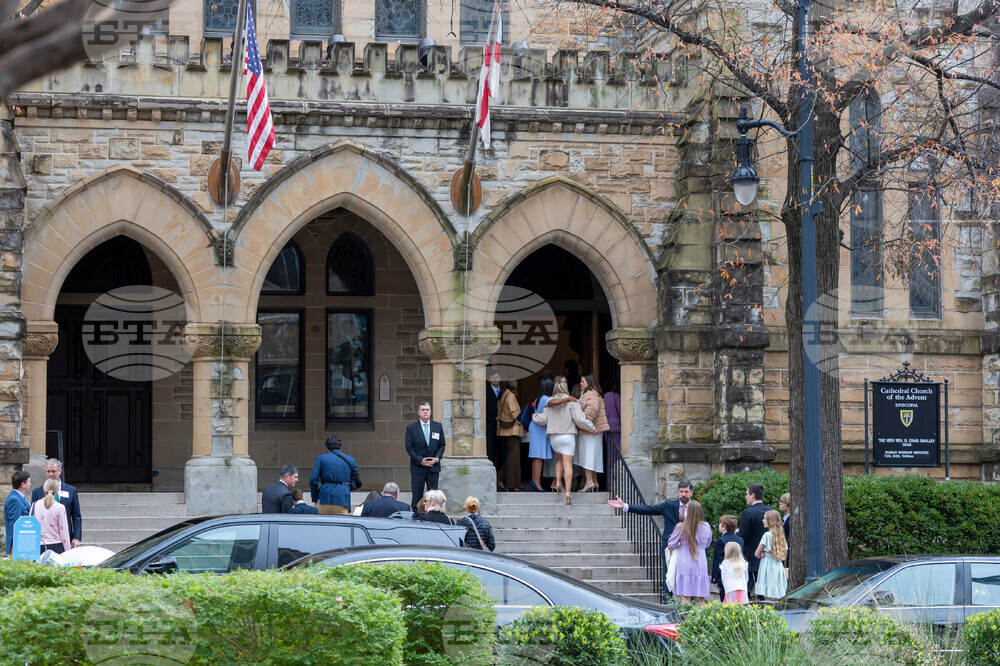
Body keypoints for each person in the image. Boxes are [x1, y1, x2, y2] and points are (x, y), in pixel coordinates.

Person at [608, 480, 694, 595]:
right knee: (668, 580)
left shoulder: (696, 508)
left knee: (687, 583)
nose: (684, 494)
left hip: (687, 550)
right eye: (681, 492)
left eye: (686, 492)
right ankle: (667, 606)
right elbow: (648, 509)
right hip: (670, 549)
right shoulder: (669, 505)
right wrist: (625, 506)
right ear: (678, 493)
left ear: (691, 493)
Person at [531, 379, 594, 505]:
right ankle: (568, 493)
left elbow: (542, 419)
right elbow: (579, 420)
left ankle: (558, 482)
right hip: (568, 436)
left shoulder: (551, 403)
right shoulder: (572, 401)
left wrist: (534, 416)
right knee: (568, 464)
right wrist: (592, 427)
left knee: (559, 460)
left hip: (554, 437)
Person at [667, 499, 712, 604]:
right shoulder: (706, 526)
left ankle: (684, 619)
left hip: (685, 561)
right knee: (700, 598)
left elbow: (671, 544)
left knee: (685, 597)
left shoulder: (681, 526)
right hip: (700, 562)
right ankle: (702, 619)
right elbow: (707, 544)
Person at [404, 402, 446, 511]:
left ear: (431, 412)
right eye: (423, 410)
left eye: (427, 409)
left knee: (434, 497)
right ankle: (416, 515)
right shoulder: (411, 428)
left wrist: (437, 458)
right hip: (418, 467)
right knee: (417, 495)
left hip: (433, 467)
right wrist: (420, 460)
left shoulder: (438, 426)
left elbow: (442, 444)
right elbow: (409, 447)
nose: (425, 412)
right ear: (418, 413)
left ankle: (433, 514)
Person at [30, 459, 82, 548]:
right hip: (43, 540)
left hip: (66, 537)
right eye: (48, 471)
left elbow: (76, 516)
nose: (51, 474)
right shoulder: (37, 492)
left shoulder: (71, 490)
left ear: (60, 471)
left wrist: (76, 537)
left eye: (53, 471)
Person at [738, 483, 775, 596]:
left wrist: (737, 533)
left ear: (752, 495)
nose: (745, 496)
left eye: (746, 494)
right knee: (765, 594)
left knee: (746, 593)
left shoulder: (747, 513)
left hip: (750, 558)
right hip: (769, 558)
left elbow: (742, 537)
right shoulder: (772, 512)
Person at [309, 435, 359, 515]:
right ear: (340, 446)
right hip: (342, 500)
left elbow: (313, 479)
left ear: (327, 447)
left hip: (324, 499)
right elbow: (357, 480)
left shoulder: (321, 458)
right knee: (342, 527)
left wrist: (315, 498)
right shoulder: (350, 460)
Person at [577, 374, 609, 492]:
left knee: (587, 457)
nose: (581, 384)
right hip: (594, 431)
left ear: (588, 383)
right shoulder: (595, 393)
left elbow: (592, 409)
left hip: (589, 432)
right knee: (593, 456)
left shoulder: (589, 394)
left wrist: (586, 422)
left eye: (583, 381)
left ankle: (589, 482)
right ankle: (594, 481)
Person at [496, 377, 526, 491]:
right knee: (513, 458)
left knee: (509, 457)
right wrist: (524, 423)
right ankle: (512, 484)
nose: (517, 383)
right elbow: (515, 414)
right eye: (515, 381)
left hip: (504, 430)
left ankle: (501, 479)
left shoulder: (502, 394)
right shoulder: (511, 395)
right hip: (512, 431)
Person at [527, 378, 554, 492]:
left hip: (535, 427)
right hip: (539, 429)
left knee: (536, 456)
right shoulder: (545, 398)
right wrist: (568, 398)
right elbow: (553, 403)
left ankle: (534, 480)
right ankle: (537, 484)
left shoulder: (538, 398)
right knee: (539, 456)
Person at [754, 510, 789, 601]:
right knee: (776, 592)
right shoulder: (780, 535)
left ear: (771, 521)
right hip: (778, 566)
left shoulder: (767, 535)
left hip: (767, 566)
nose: (763, 520)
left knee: (767, 594)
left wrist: (762, 553)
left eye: (765, 518)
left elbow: (756, 553)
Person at [31, 479, 72, 554]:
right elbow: (64, 531)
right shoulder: (60, 507)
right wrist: (67, 551)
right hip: (57, 545)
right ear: (57, 490)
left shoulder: (35, 505)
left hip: (39, 545)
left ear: (44, 488)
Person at [711, 514, 744, 599]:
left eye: (720, 523)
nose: (718, 525)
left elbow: (717, 560)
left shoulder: (721, 541)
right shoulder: (740, 540)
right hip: (738, 574)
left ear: (724, 526)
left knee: (725, 600)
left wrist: (715, 579)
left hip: (725, 575)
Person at [3, 471, 31, 555]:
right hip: (18, 546)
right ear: (23, 484)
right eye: (29, 482)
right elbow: (16, 525)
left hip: (22, 544)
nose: (30, 484)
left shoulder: (18, 497)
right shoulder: (14, 500)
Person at [485, 369, 504, 488]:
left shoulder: (503, 392)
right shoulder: (486, 392)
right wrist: (493, 418)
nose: (495, 379)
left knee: (501, 451)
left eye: (497, 376)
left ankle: (500, 476)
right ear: (489, 380)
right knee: (490, 451)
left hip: (502, 427)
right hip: (491, 426)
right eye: (493, 377)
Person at [601, 379, 621, 470]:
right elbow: (621, 413)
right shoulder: (615, 396)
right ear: (613, 386)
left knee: (610, 453)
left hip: (606, 428)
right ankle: (614, 478)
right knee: (617, 454)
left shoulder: (603, 398)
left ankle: (609, 479)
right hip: (616, 428)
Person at [779, 492, 791, 566]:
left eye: (783, 502)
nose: (780, 503)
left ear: (789, 504)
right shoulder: (785, 519)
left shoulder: (790, 521)